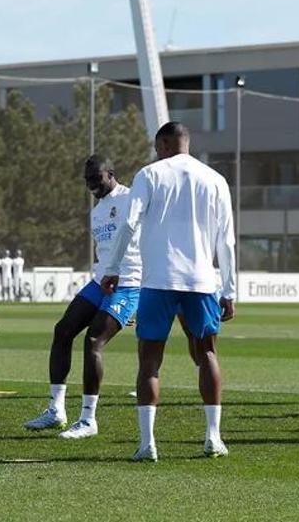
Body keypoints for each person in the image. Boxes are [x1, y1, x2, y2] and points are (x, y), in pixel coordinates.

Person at [102, 122, 236, 461]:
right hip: (201, 282)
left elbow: (128, 223)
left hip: (157, 281)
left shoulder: (149, 174)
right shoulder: (216, 179)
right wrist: (230, 290)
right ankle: (213, 437)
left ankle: (147, 443)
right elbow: (227, 241)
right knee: (207, 354)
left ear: (163, 144)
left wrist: (112, 267)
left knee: (149, 360)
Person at [25, 155, 142, 439]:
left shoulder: (131, 198)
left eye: (96, 178)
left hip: (128, 283)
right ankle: (56, 410)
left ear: (111, 174)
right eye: (87, 180)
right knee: (63, 330)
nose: (91, 185)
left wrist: (141, 298)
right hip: (100, 282)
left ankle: (88, 420)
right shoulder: (96, 212)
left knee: (93, 341)